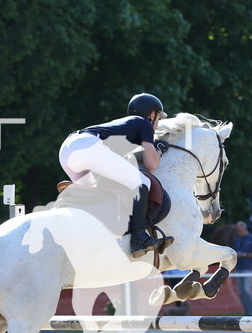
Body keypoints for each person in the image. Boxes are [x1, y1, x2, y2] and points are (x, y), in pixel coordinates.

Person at [58, 92, 172, 258]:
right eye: (158, 118)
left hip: (68, 150)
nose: (158, 122)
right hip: (87, 146)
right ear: (152, 115)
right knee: (141, 182)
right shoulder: (144, 123)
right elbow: (151, 164)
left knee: (94, 196)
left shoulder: (126, 125)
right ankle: (139, 238)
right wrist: (159, 149)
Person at [232, 221, 252, 316]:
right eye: (237, 230)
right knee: (241, 292)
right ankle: (247, 312)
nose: (238, 231)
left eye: (239, 230)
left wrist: (244, 254)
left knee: (247, 290)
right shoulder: (236, 240)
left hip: (248, 268)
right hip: (238, 268)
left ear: (244, 228)